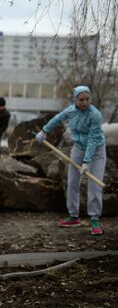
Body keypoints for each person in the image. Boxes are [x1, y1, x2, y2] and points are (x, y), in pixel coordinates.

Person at [35, 85, 106, 235]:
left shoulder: (95, 115)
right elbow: (57, 118)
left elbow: (93, 140)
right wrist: (44, 131)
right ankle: (73, 216)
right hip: (78, 149)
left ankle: (94, 219)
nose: (84, 103)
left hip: (97, 152)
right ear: (75, 99)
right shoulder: (71, 110)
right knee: (73, 182)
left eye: (87, 99)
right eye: (81, 100)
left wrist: (87, 162)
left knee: (94, 185)